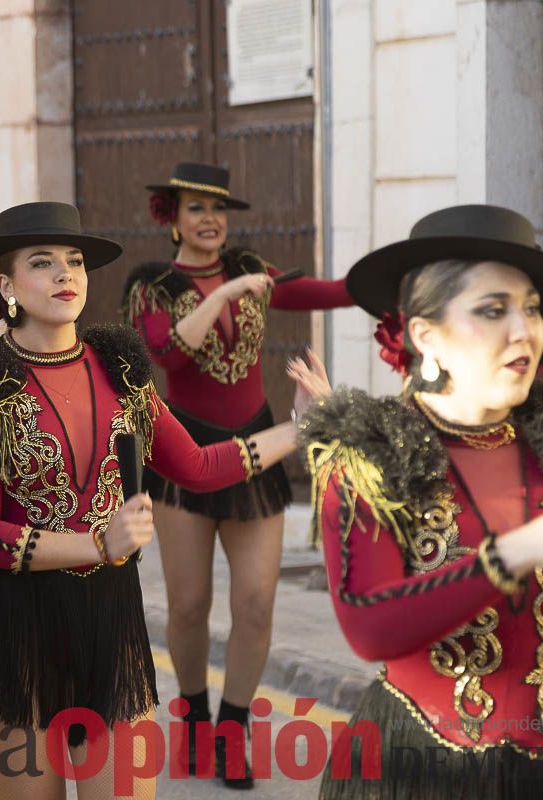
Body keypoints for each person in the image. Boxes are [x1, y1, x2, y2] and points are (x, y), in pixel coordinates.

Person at [0, 201, 331, 799]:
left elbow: (195, 466)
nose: (66, 274)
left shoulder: (119, 373)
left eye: (75, 262)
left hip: (109, 618)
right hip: (15, 628)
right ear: (6, 285)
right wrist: (95, 542)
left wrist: (297, 429)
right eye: (44, 263)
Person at [300, 204, 543, 799]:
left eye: (531, 308)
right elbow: (370, 627)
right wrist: (526, 547)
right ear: (425, 336)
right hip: (419, 769)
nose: (525, 330)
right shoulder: (368, 461)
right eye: (493, 310)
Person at [121, 161, 355, 786]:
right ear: (173, 217)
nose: (211, 221)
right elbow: (168, 351)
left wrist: (384, 281)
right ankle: (193, 720)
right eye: (197, 208)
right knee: (190, 604)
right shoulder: (152, 286)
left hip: (257, 448)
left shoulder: (254, 269)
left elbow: (319, 293)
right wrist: (222, 293)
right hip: (183, 454)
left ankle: (232, 731)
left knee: (254, 604)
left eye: (218, 210)